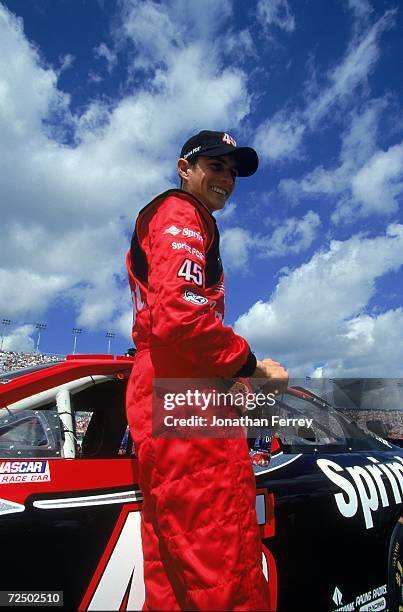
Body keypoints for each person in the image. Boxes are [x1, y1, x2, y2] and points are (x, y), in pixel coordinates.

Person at [126, 130, 288, 610]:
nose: (226, 179)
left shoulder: (172, 218)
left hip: (164, 388)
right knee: (224, 562)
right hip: (185, 391)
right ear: (185, 168)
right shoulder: (181, 212)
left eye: (232, 172)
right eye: (215, 166)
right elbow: (182, 315)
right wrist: (252, 366)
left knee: (174, 567)